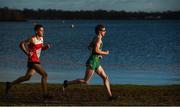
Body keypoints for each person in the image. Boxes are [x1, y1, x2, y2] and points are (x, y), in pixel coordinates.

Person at [63, 24, 117, 100]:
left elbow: (89, 47)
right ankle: (67, 83)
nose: (105, 32)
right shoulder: (98, 39)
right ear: (99, 31)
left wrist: (97, 55)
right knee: (85, 81)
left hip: (96, 61)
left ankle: (110, 96)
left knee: (105, 77)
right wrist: (105, 53)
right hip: (92, 62)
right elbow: (96, 50)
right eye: (104, 30)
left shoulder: (96, 38)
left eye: (105, 30)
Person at [6, 24, 51, 98]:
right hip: (33, 61)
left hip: (35, 60)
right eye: (41, 30)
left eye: (43, 30)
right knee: (44, 75)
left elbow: (41, 48)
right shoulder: (32, 39)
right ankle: (45, 94)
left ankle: (10, 84)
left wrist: (46, 47)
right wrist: (26, 52)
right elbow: (21, 44)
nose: (42, 32)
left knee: (27, 77)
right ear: (36, 31)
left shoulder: (41, 38)